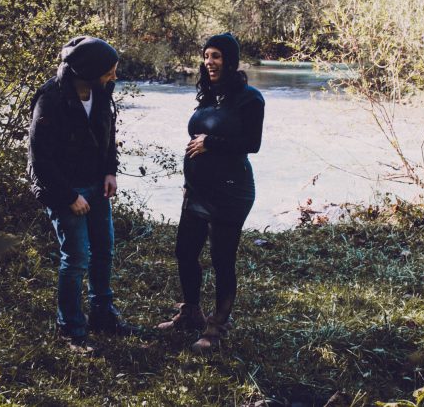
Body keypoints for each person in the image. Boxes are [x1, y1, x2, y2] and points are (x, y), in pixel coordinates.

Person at [157, 33, 265, 352]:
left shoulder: (250, 99)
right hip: (197, 190)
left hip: (232, 191)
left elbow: (252, 144)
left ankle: (217, 325)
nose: (209, 62)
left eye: (216, 56)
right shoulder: (207, 95)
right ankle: (191, 311)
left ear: (230, 60)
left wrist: (210, 143)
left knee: (222, 258)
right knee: (185, 252)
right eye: (206, 56)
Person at [27, 36, 133, 350]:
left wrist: (110, 170)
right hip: (62, 189)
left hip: (96, 184)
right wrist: (69, 196)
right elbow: (39, 158)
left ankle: (102, 314)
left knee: (103, 251)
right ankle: (70, 329)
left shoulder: (102, 93)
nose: (114, 76)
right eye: (109, 71)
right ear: (88, 70)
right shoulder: (51, 99)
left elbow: (109, 134)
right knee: (75, 258)